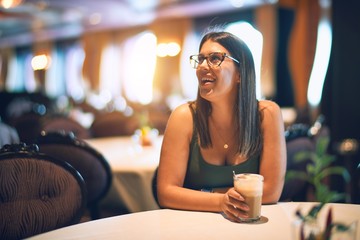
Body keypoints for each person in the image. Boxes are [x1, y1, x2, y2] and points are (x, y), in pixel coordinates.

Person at [156, 30, 286, 222]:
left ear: (240, 74)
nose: (202, 66)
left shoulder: (267, 114)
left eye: (215, 58)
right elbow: (166, 193)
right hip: (192, 227)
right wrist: (220, 201)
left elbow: (270, 192)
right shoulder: (183, 116)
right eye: (200, 59)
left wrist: (202, 194)